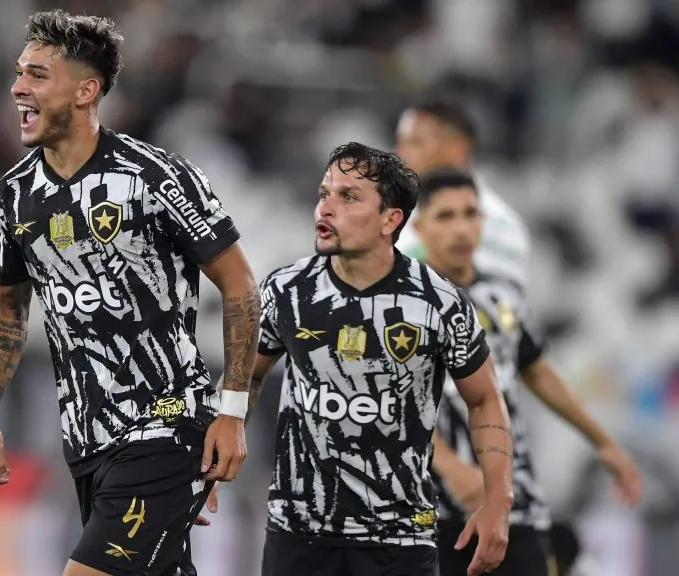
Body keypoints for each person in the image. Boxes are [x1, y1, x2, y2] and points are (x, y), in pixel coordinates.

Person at [0, 10, 260, 576]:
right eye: (18, 72)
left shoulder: (155, 178)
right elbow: (5, 308)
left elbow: (241, 286)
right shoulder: (13, 196)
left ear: (86, 90)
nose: (17, 88)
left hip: (166, 423)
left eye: (36, 74)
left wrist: (231, 412)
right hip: (86, 441)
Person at [245, 142, 515, 576]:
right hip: (297, 535)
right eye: (324, 193)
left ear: (391, 220)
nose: (326, 208)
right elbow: (244, 380)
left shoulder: (440, 303)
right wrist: (210, 464)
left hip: (399, 541)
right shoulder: (286, 290)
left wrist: (498, 502)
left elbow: (484, 400)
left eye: (348, 197)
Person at [413, 168, 644, 576]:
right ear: (419, 226)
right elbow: (392, 402)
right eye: (446, 216)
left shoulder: (505, 294)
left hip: (512, 502)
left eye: (470, 214)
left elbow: (536, 371)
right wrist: (451, 469)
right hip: (432, 509)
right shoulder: (401, 303)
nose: (461, 228)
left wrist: (602, 441)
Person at [394, 98, 530, 288]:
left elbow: (498, 306)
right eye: (400, 143)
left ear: (458, 148)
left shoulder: (498, 224)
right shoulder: (398, 214)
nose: (399, 154)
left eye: (415, 143)